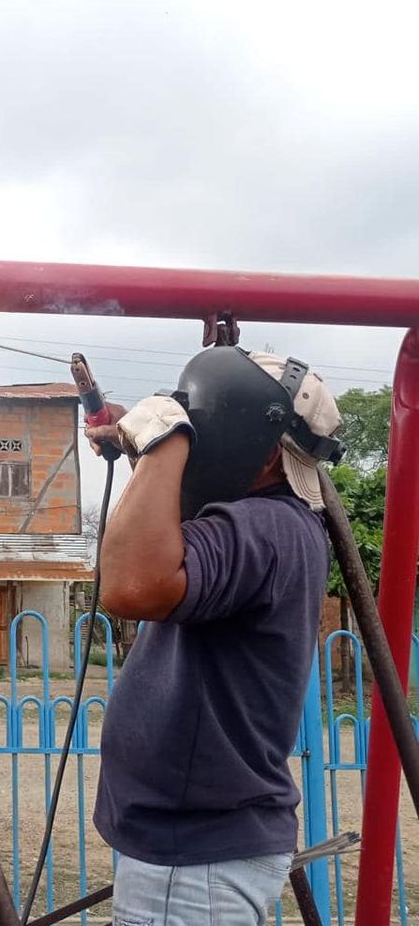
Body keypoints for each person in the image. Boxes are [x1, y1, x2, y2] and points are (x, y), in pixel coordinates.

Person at [85, 347, 343, 925]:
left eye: (206, 427)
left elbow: (131, 586)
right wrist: (144, 446)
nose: (197, 439)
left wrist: (164, 441)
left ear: (257, 445)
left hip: (194, 861)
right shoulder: (269, 523)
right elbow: (164, 536)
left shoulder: (264, 526)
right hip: (193, 852)